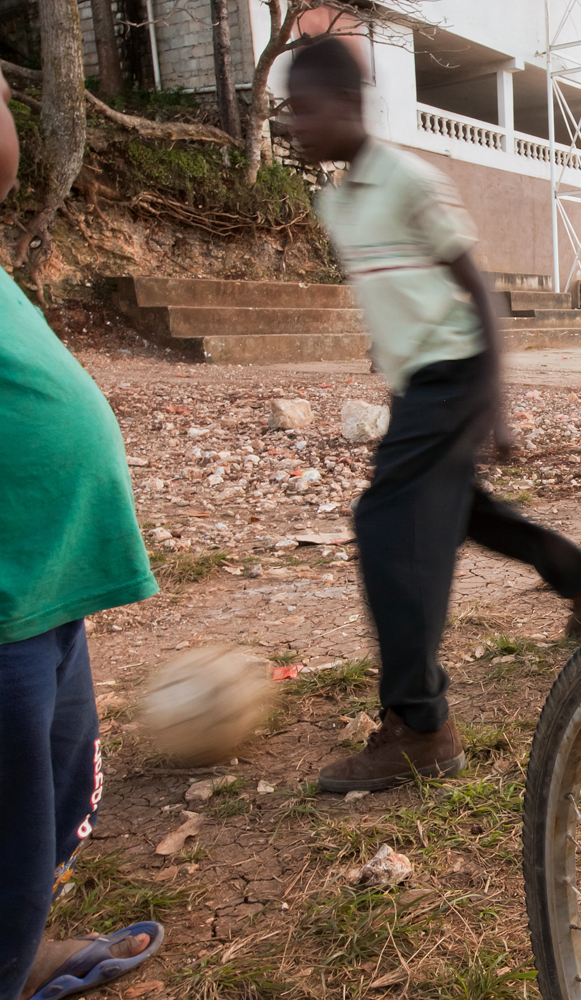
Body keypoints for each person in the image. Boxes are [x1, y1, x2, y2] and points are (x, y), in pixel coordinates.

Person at [287, 39, 581, 794]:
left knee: (388, 527)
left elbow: (477, 288)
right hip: (421, 387)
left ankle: (421, 726)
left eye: (307, 107)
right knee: (456, 512)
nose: (296, 123)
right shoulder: (337, 200)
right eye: (289, 109)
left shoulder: (409, 179)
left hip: (456, 376)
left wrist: (495, 403)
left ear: (349, 104)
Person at [0, 67, 165, 1000]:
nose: (12, 108)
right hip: (4, 608)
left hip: (44, 593)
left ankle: (23, 943)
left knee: (55, 790)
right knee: (12, 816)